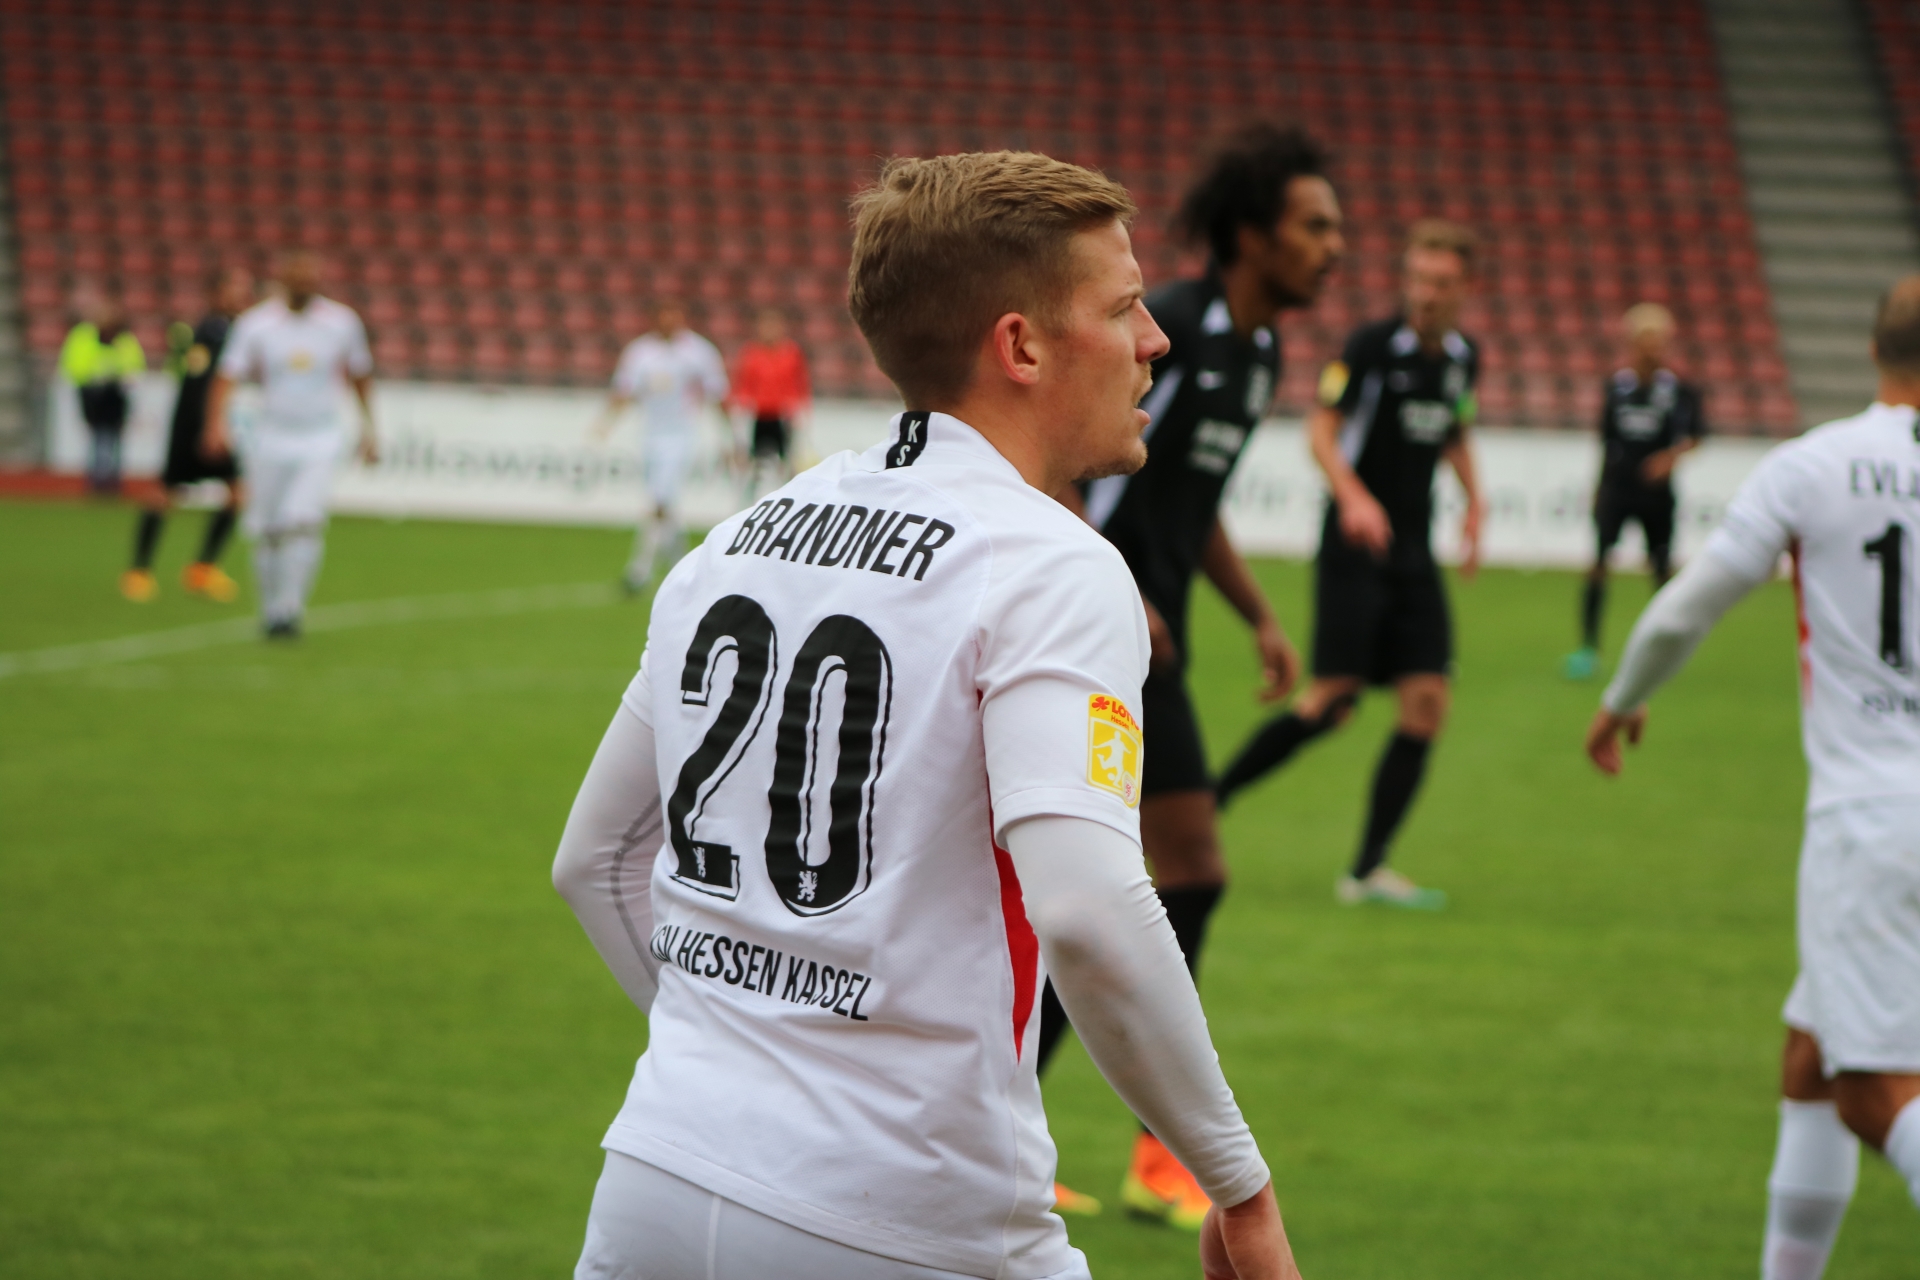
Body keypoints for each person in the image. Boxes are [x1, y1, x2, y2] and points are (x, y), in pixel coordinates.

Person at [553, 150, 1299, 1280]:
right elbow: (1090, 910)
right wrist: (1238, 1182)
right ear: (1022, 346)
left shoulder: (736, 540)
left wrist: (745, 1062)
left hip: (654, 1178)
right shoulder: (1054, 561)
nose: (1155, 339)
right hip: (909, 1216)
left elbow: (594, 859)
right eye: (1123, 308)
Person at [1032, 121, 1340, 1229]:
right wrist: (1115, 582)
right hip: (1098, 632)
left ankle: (1110, 1147)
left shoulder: (1256, 355)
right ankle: (1068, 1139)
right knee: (1156, 875)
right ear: (1253, 234)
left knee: (1170, 878)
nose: (1333, 246)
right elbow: (1059, 461)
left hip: (1155, 639)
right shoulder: (1173, 327)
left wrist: (1257, 613)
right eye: (1314, 226)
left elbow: (1191, 506)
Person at [1586, 276, 1920, 1280]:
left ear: (1874, 348)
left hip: (1874, 817)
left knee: (1872, 1092)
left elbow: (1686, 606)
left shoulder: (1814, 465)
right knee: (1809, 1055)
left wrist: (1623, 697)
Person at [1213, 220, 1488, 911]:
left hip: (1414, 551)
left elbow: (1455, 430)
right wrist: (1354, 495)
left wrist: (1476, 502)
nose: (1426, 294)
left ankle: (1367, 870)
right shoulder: (1371, 346)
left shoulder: (1463, 358)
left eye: (1441, 282)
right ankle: (1207, 801)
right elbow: (1321, 429)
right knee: (1331, 702)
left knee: (1428, 701)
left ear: (1466, 287)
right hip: (1353, 548)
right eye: (1418, 279)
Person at [204, 250, 375, 640]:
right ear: (283, 279)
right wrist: (215, 423)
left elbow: (360, 373)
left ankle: (290, 609)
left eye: (309, 277)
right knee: (267, 529)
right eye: (297, 277)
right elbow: (227, 374)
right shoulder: (257, 324)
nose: (304, 284)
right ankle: (270, 610)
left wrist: (369, 428)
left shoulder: (341, 322)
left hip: (320, 436)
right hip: (270, 436)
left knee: (302, 520)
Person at [1563, 302, 1707, 680]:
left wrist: (1669, 459)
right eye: (1646, 340)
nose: (1653, 348)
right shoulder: (1617, 388)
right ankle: (1587, 648)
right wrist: (1599, 488)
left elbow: (1696, 436)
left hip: (1656, 495)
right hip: (1617, 489)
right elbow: (1605, 440)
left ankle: (1666, 648)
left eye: (1659, 340)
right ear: (1632, 342)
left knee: (1661, 571)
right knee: (1598, 565)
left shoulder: (1679, 391)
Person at [121, 266, 254, 604]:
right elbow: (199, 384)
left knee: (236, 494)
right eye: (235, 289)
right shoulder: (212, 331)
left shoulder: (232, 330)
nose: (242, 296)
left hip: (211, 423)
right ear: (216, 294)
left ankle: (201, 569)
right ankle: (139, 571)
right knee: (165, 493)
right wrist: (209, 427)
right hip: (194, 425)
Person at [593, 299, 729, 593]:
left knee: (659, 501)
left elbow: (717, 393)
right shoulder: (640, 352)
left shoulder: (698, 351)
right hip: (650, 435)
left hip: (681, 435)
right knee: (665, 504)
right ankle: (685, 566)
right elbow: (625, 390)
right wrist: (606, 422)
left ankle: (639, 570)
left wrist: (729, 436)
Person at [60, 293, 146, 495]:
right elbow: (73, 365)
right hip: (94, 397)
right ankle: (99, 479)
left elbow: (135, 367)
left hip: (116, 398)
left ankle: (111, 478)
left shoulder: (124, 339)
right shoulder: (83, 336)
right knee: (99, 437)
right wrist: (96, 379)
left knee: (113, 438)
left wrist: (120, 378)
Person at [729, 306, 812, 502]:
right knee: (751, 464)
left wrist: (801, 411)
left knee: (787, 463)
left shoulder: (792, 353)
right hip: (758, 415)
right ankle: (747, 502)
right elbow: (743, 386)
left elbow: (800, 384)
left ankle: (788, 500)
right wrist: (740, 413)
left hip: (782, 416)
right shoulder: (751, 353)